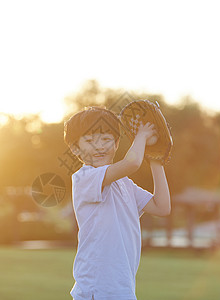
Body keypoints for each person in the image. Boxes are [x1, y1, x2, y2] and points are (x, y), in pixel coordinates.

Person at [64, 106, 171, 300]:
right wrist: (142, 135)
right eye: (89, 141)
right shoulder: (84, 178)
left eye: (106, 139)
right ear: (75, 149)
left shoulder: (125, 185)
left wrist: (155, 160)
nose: (99, 147)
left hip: (121, 287)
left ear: (116, 143)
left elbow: (162, 207)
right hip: (97, 288)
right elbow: (132, 163)